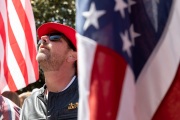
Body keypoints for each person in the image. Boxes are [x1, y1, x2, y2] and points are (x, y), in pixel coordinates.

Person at [20, 22, 78, 120]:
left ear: (72, 56)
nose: (43, 38)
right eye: (41, 39)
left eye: (55, 37)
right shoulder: (29, 104)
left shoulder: (92, 96)